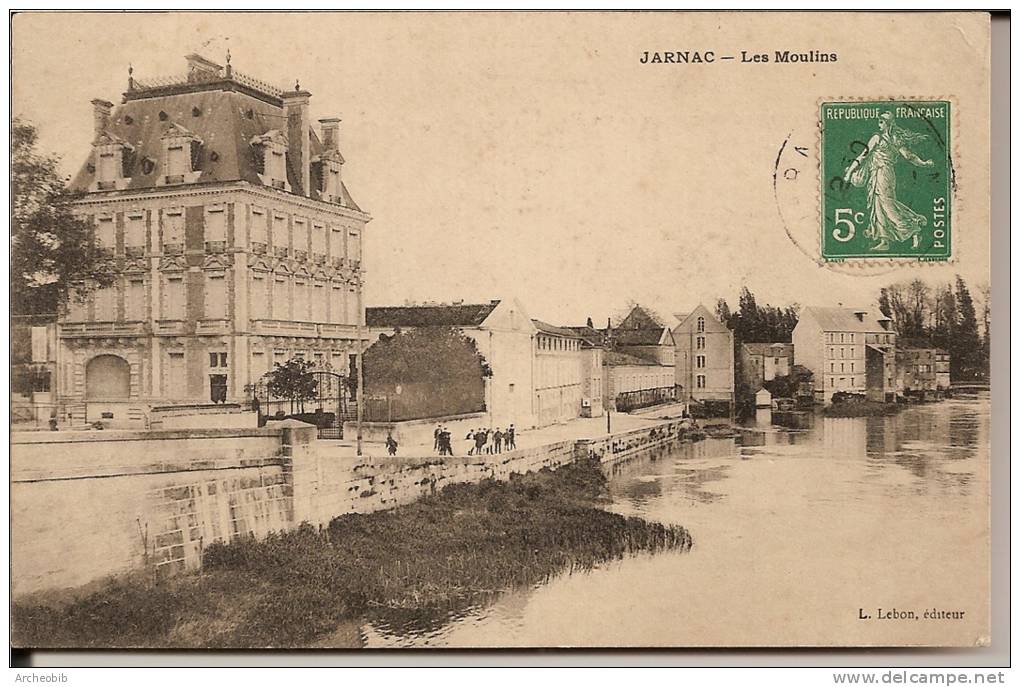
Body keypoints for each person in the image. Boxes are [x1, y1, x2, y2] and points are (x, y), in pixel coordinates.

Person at [842, 111, 934, 251]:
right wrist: (924, 163)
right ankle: (884, 240)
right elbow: (864, 156)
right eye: (879, 121)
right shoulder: (885, 138)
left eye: (881, 121)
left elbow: (908, 156)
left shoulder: (884, 138)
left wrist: (923, 163)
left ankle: (913, 228)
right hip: (877, 174)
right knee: (878, 204)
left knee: (886, 204)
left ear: (888, 123)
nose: (879, 124)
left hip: (884, 174)